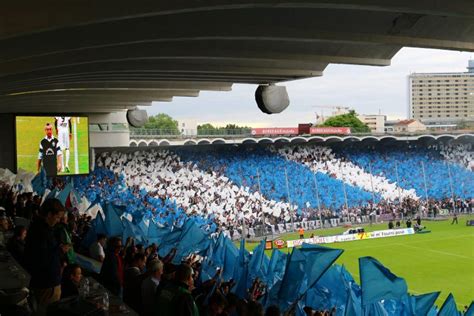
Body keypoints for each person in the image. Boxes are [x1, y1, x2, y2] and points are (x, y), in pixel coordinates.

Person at [24, 198, 67, 313]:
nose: (58, 221)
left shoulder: (38, 226)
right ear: (49, 214)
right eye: (57, 217)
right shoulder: (42, 231)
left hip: (41, 281)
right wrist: (61, 251)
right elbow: (43, 259)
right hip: (47, 285)